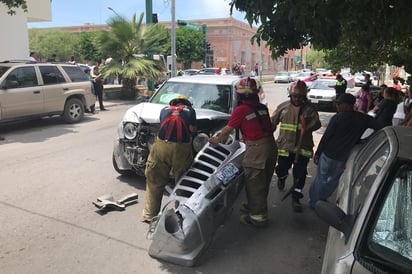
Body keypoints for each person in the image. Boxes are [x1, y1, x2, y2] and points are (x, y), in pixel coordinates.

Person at [209, 77, 276, 226]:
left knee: (255, 182)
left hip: (257, 150)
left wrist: (216, 140)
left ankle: (258, 217)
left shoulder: (241, 110)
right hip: (270, 147)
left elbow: (227, 130)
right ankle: (255, 206)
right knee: (263, 180)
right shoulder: (262, 107)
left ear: (239, 94)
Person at [309, 93, 382, 207]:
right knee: (333, 180)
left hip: (328, 154)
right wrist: (365, 140)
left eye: (339, 104)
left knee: (321, 178)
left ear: (348, 105)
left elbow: (327, 136)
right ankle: (321, 199)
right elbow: (379, 126)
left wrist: (318, 153)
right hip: (342, 157)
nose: (337, 106)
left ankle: (314, 201)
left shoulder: (338, 118)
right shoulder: (363, 118)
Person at [142, 95, 197, 223]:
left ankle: (150, 215)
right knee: (182, 182)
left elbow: (163, 125)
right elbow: (192, 130)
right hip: (181, 148)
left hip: (161, 146)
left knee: (154, 181)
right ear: (186, 103)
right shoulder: (190, 111)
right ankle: (181, 215)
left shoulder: (164, 109)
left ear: (173, 103)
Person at [271, 80, 321, 212]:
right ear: (290, 95)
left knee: (300, 174)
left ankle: (296, 197)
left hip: (302, 148)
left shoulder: (310, 110)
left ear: (304, 96)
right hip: (285, 146)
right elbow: (272, 123)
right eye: (295, 96)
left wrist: (307, 125)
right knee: (281, 168)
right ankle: (282, 178)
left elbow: (317, 124)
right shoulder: (283, 107)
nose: (297, 99)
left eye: (300, 96)